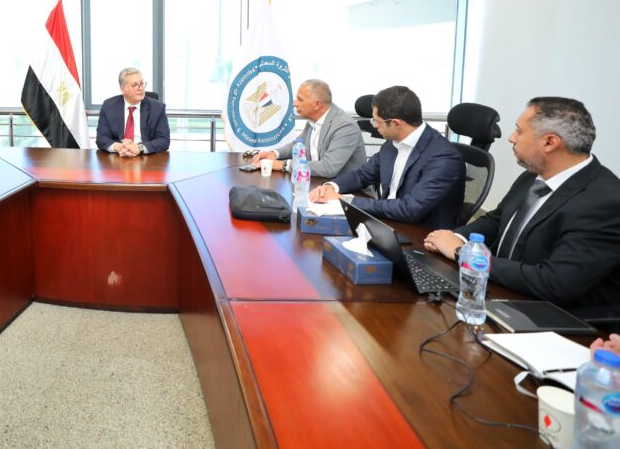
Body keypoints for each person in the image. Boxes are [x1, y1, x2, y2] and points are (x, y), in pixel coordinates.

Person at [425, 97, 620, 310]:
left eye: (519, 131)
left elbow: (554, 283)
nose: (511, 138)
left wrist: (464, 255)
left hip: (555, 317)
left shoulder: (605, 203)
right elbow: (497, 220)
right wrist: (455, 237)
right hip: (501, 293)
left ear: (550, 142)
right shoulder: (534, 174)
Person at [309, 85, 465, 229]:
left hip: (421, 234)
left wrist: (344, 200)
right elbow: (362, 175)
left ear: (396, 123)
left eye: (377, 121)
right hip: (387, 222)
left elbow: (410, 209)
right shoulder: (392, 143)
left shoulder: (444, 158)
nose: (374, 126)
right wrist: (331, 187)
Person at [251, 79, 365, 180]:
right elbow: (297, 145)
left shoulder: (345, 126)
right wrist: (274, 154)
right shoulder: (313, 120)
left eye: (300, 100)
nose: (294, 104)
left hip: (350, 191)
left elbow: (328, 168)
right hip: (318, 183)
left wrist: (283, 165)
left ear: (317, 104)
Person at [95, 67, 170, 156]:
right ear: (123, 89)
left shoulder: (157, 108)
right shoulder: (109, 106)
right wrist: (118, 147)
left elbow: (163, 140)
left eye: (142, 84)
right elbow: (101, 138)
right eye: (135, 85)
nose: (140, 88)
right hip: (118, 156)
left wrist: (140, 148)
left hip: (146, 158)